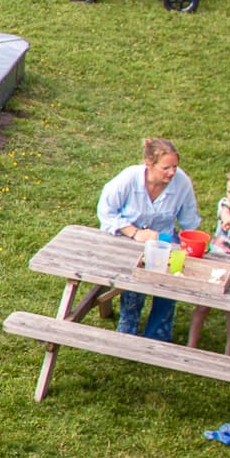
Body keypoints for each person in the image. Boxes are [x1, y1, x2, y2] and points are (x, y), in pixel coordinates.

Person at [95, 137, 198, 340]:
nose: (172, 173)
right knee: (134, 285)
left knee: (169, 281)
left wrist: (194, 244)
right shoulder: (129, 179)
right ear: (149, 164)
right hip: (128, 239)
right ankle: (127, 331)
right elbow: (106, 212)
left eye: (175, 167)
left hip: (164, 238)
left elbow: (189, 222)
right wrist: (134, 232)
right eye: (166, 168)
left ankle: (158, 334)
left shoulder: (181, 183)